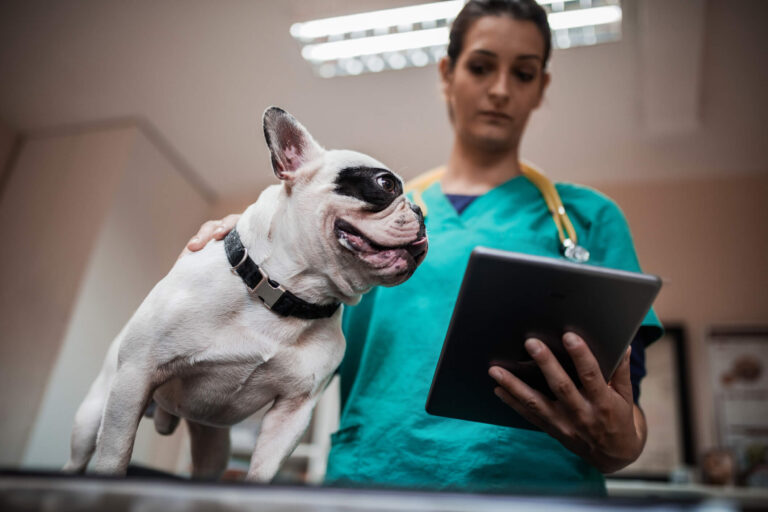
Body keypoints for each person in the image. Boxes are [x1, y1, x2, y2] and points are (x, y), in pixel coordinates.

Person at [186, 0, 662, 496]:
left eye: (523, 73)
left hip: (536, 492)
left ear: (541, 87)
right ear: (447, 73)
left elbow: (627, 410)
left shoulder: (589, 219)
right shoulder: (358, 222)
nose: (500, 89)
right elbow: (270, 341)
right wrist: (249, 259)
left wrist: (625, 443)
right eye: (481, 67)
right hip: (374, 485)